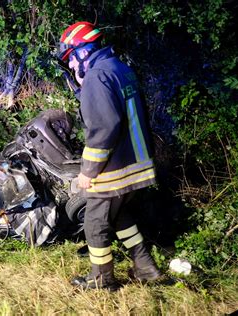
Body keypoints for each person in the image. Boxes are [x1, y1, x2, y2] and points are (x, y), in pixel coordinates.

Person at [58, 21, 162, 290]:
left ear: (83, 52)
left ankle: (102, 280)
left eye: (70, 59)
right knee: (119, 216)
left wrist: (87, 172)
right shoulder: (119, 68)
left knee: (94, 223)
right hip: (136, 163)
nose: (69, 66)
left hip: (114, 169)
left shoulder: (97, 76)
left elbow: (104, 127)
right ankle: (146, 268)